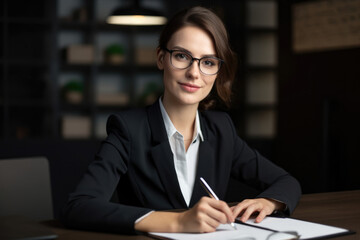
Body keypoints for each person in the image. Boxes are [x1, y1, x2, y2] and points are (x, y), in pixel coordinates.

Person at [61, 6, 301, 235]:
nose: (194, 73)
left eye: (208, 62)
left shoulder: (221, 129)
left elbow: (286, 182)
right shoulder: (128, 129)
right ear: (161, 58)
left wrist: (269, 202)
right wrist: (178, 221)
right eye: (182, 56)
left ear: (218, 70)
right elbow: (79, 206)